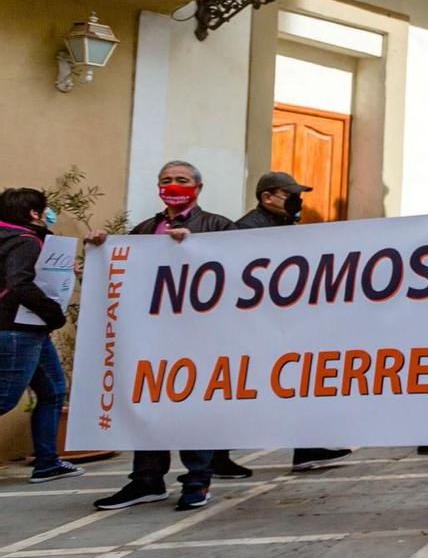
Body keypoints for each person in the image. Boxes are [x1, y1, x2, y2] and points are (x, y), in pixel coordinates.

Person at [90, 161, 233, 511]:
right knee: (149, 404)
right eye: (166, 180)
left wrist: (192, 247)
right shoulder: (146, 228)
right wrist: (101, 250)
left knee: (192, 407)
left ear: (198, 188)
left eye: (182, 180)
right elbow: (126, 270)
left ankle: (198, 481)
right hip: (152, 335)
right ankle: (146, 480)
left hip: (198, 336)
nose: (173, 185)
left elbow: (237, 270)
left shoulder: (217, 226)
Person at [234, 171, 352, 472]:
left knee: (300, 382)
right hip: (262, 323)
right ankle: (214, 458)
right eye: (291, 195)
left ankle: (307, 448)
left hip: (288, 321)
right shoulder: (247, 229)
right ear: (267, 197)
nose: (298, 202)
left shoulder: (286, 225)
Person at [0, 188, 82, 483]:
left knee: (52, 391)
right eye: (45, 210)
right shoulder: (25, 242)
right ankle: (48, 461)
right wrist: (53, 313)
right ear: (34, 214)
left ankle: (47, 462)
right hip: (17, 330)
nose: (49, 216)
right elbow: (20, 283)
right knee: (5, 399)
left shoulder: (15, 238)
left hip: (28, 330)